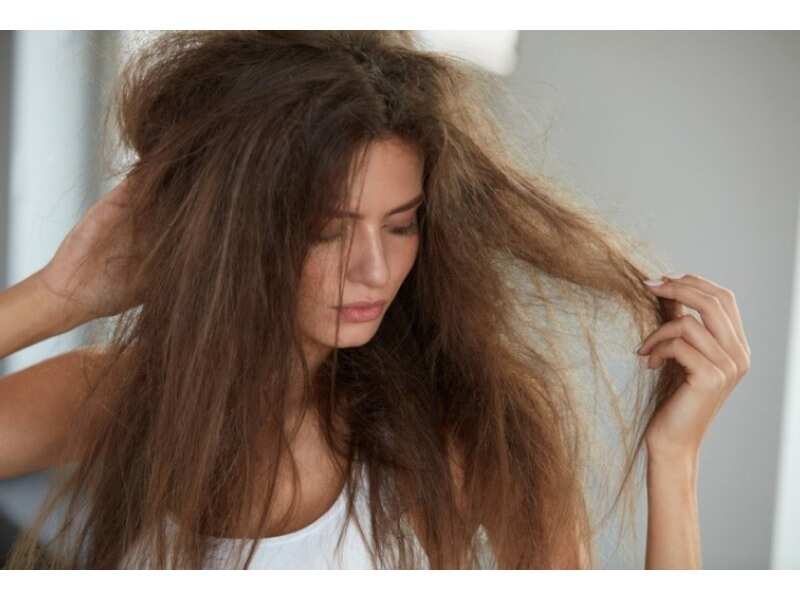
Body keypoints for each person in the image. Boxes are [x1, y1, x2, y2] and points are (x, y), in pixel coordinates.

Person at [0, 30, 750, 569]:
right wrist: (56, 297)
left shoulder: (459, 435)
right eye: (326, 231)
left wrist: (674, 460)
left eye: (401, 225)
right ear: (233, 233)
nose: (374, 270)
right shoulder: (117, 397)